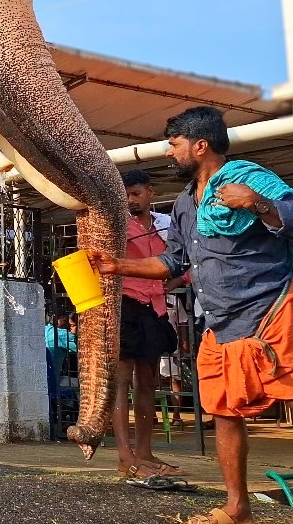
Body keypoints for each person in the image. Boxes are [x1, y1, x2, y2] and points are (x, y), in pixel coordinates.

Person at [88, 107, 293, 524]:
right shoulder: (182, 203)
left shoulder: (250, 177)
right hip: (219, 322)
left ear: (200, 145)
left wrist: (257, 203)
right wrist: (116, 266)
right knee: (224, 413)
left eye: (174, 144)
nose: (168, 152)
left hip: (272, 309)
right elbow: (174, 261)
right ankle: (238, 509)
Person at [113, 169, 185, 480]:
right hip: (125, 307)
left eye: (136, 194)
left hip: (154, 308)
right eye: (126, 195)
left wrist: (173, 283)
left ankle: (145, 452)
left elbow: (175, 265)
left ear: (150, 193)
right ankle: (125, 456)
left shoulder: (164, 227)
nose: (130, 200)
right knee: (121, 383)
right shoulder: (117, 226)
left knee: (148, 382)